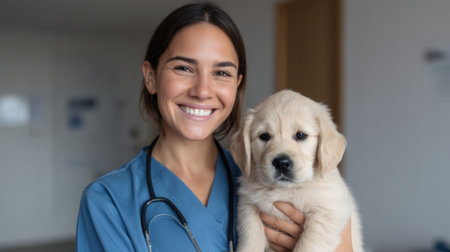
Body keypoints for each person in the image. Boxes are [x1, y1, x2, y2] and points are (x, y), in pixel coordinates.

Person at [76, 2, 353, 252]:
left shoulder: (262, 176)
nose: (202, 90)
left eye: (221, 73)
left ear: (236, 85)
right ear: (150, 77)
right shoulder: (107, 201)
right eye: (184, 68)